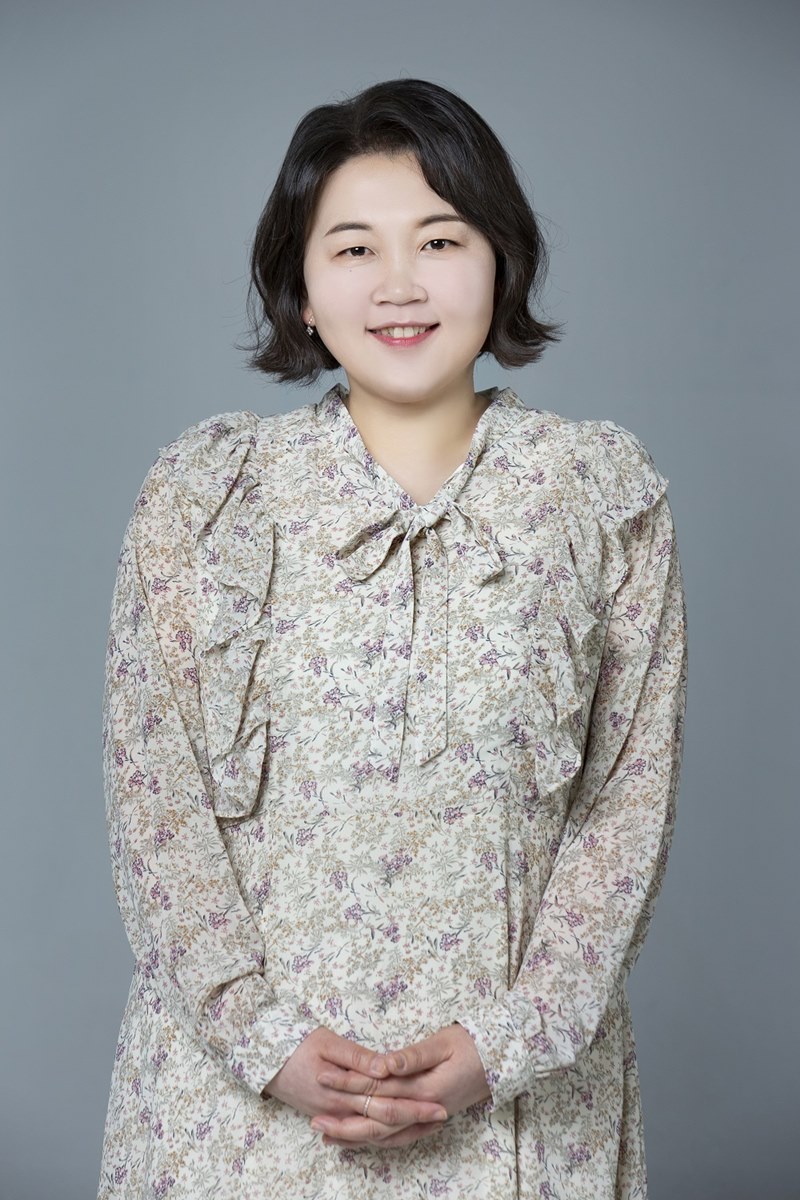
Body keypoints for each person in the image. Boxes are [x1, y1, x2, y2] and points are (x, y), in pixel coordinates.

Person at [98, 77, 688, 1199]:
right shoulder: (204, 498)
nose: (400, 284)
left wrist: (508, 1042)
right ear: (301, 288)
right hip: (237, 1114)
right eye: (355, 249)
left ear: (501, 261)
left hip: (520, 1108)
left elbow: (627, 803)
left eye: (440, 240)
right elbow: (154, 804)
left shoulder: (600, 496)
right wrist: (264, 1041)